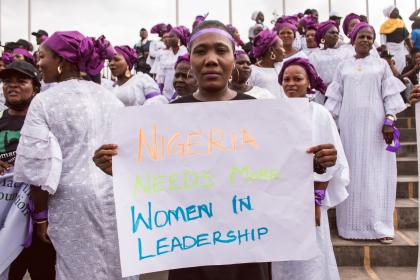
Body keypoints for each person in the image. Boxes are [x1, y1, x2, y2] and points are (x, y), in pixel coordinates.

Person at [93, 20, 338, 280]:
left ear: (234, 58)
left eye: (221, 50)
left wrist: (314, 162)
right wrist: (117, 166)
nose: (211, 59)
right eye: (201, 51)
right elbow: (153, 178)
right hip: (190, 247)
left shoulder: (261, 112)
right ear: (191, 59)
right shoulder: (166, 119)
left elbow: (278, 169)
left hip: (250, 246)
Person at [12, 31, 138, 280]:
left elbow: (37, 166)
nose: (39, 63)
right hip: (116, 198)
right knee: (117, 267)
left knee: (76, 271)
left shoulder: (44, 102)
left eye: (43, 56)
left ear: (62, 61)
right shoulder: (111, 99)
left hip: (70, 204)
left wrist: (40, 217)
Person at [325, 23, 406, 243]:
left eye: (370, 37)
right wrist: (329, 124)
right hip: (349, 128)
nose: (366, 40)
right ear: (353, 39)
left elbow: (390, 95)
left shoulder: (381, 65)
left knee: (375, 173)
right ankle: (350, 227)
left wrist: (389, 120)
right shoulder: (343, 66)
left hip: (376, 127)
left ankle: (379, 226)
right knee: (352, 172)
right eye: (362, 36)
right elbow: (335, 98)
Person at [272, 57, 349, 280]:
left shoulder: (319, 113)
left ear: (309, 83)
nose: (291, 83)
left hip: (310, 198)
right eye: (286, 79)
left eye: (297, 78)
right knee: (282, 255)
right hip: (280, 197)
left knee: (311, 257)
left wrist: (315, 200)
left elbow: (330, 162)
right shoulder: (273, 113)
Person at [0, 61, 56, 280]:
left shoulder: (47, 124)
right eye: (7, 82)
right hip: (5, 222)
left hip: (38, 224)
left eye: (21, 81)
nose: (12, 86)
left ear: (35, 88)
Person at [309, 21, 353, 103]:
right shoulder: (314, 56)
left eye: (337, 33)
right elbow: (312, 77)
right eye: (332, 32)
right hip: (323, 96)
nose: (335, 34)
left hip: (344, 94)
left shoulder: (346, 52)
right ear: (323, 36)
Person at [248, 29, 286, 98]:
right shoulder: (252, 71)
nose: (284, 50)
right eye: (281, 46)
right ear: (271, 50)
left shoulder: (283, 66)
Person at [155, 26, 189, 100]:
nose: (168, 39)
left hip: (180, 91)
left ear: (179, 38)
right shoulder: (166, 54)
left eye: (171, 37)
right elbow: (161, 74)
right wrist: (160, 89)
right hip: (166, 92)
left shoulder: (185, 52)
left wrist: (176, 93)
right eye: (168, 37)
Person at [380, 5, 411, 73]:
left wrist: (411, 50)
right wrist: (387, 56)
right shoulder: (384, 25)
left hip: (400, 51)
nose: (397, 11)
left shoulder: (401, 23)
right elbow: (383, 44)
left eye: (397, 10)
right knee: (391, 70)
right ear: (390, 13)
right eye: (395, 10)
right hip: (390, 51)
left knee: (402, 69)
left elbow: (407, 38)